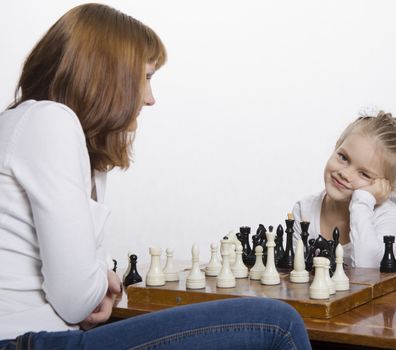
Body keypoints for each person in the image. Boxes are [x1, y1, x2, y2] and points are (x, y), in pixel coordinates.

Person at [0, 4, 311, 350]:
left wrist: (100, 280)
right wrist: (100, 282)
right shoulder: (50, 122)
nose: (150, 99)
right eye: (145, 78)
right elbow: (77, 300)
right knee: (277, 324)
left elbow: (89, 282)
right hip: (21, 341)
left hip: (46, 339)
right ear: (107, 74)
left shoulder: (65, 139)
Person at [292, 111, 396, 268]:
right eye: (343, 157)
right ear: (337, 146)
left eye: (364, 174)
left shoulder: (386, 216)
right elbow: (295, 277)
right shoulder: (305, 210)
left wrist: (362, 201)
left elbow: (368, 275)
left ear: (386, 186)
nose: (345, 174)